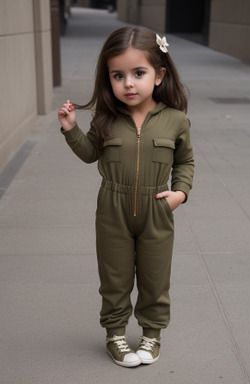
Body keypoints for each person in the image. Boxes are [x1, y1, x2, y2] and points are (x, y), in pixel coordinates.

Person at [58, 26, 194, 368]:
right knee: (114, 276)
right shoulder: (105, 118)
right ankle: (115, 335)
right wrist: (71, 128)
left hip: (157, 208)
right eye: (118, 75)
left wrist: (180, 193)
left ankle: (152, 335)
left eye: (138, 73)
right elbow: (90, 154)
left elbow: (185, 161)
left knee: (155, 276)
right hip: (112, 208)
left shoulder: (176, 120)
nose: (128, 83)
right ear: (108, 78)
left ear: (159, 75)